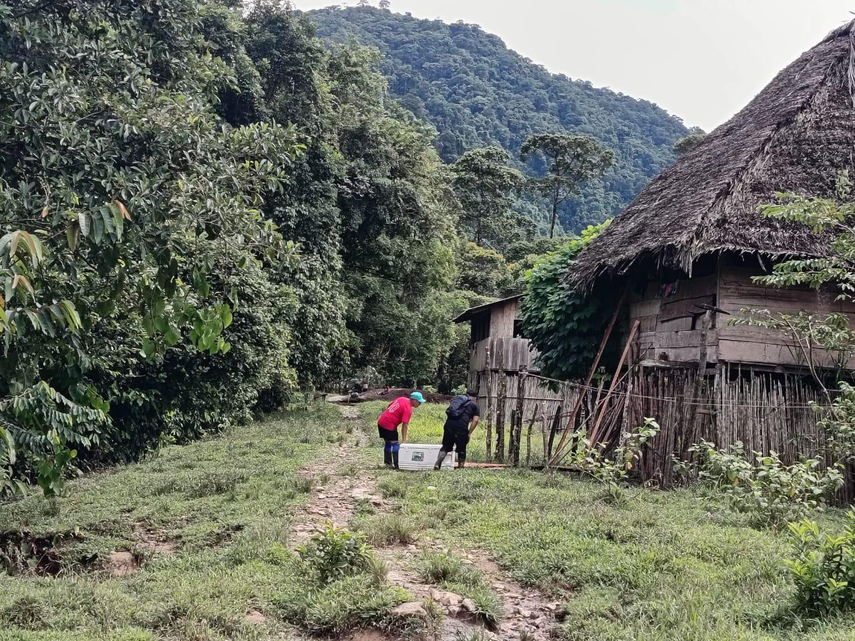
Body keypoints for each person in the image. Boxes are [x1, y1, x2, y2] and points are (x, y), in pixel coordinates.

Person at [434, 389, 480, 470]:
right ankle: (460, 467)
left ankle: (437, 463)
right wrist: (469, 433)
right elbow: (475, 420)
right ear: (475, 397)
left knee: (445, 446)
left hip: (449, 424)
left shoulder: (457, 400)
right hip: (462, 426)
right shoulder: (474, 404)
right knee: (461, 448)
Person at [377, 391, 424, 469]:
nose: (420, 404)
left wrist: (390, 415)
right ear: (414, 400)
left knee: (388, 443)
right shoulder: (408, 409)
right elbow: (404, 426)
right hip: (388, 425)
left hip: (381, 421)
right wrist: (404, 441)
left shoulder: (402, 399)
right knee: (395, 444)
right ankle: (397, 465)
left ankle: (388, 463)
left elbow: (390, 405)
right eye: (419, 402)